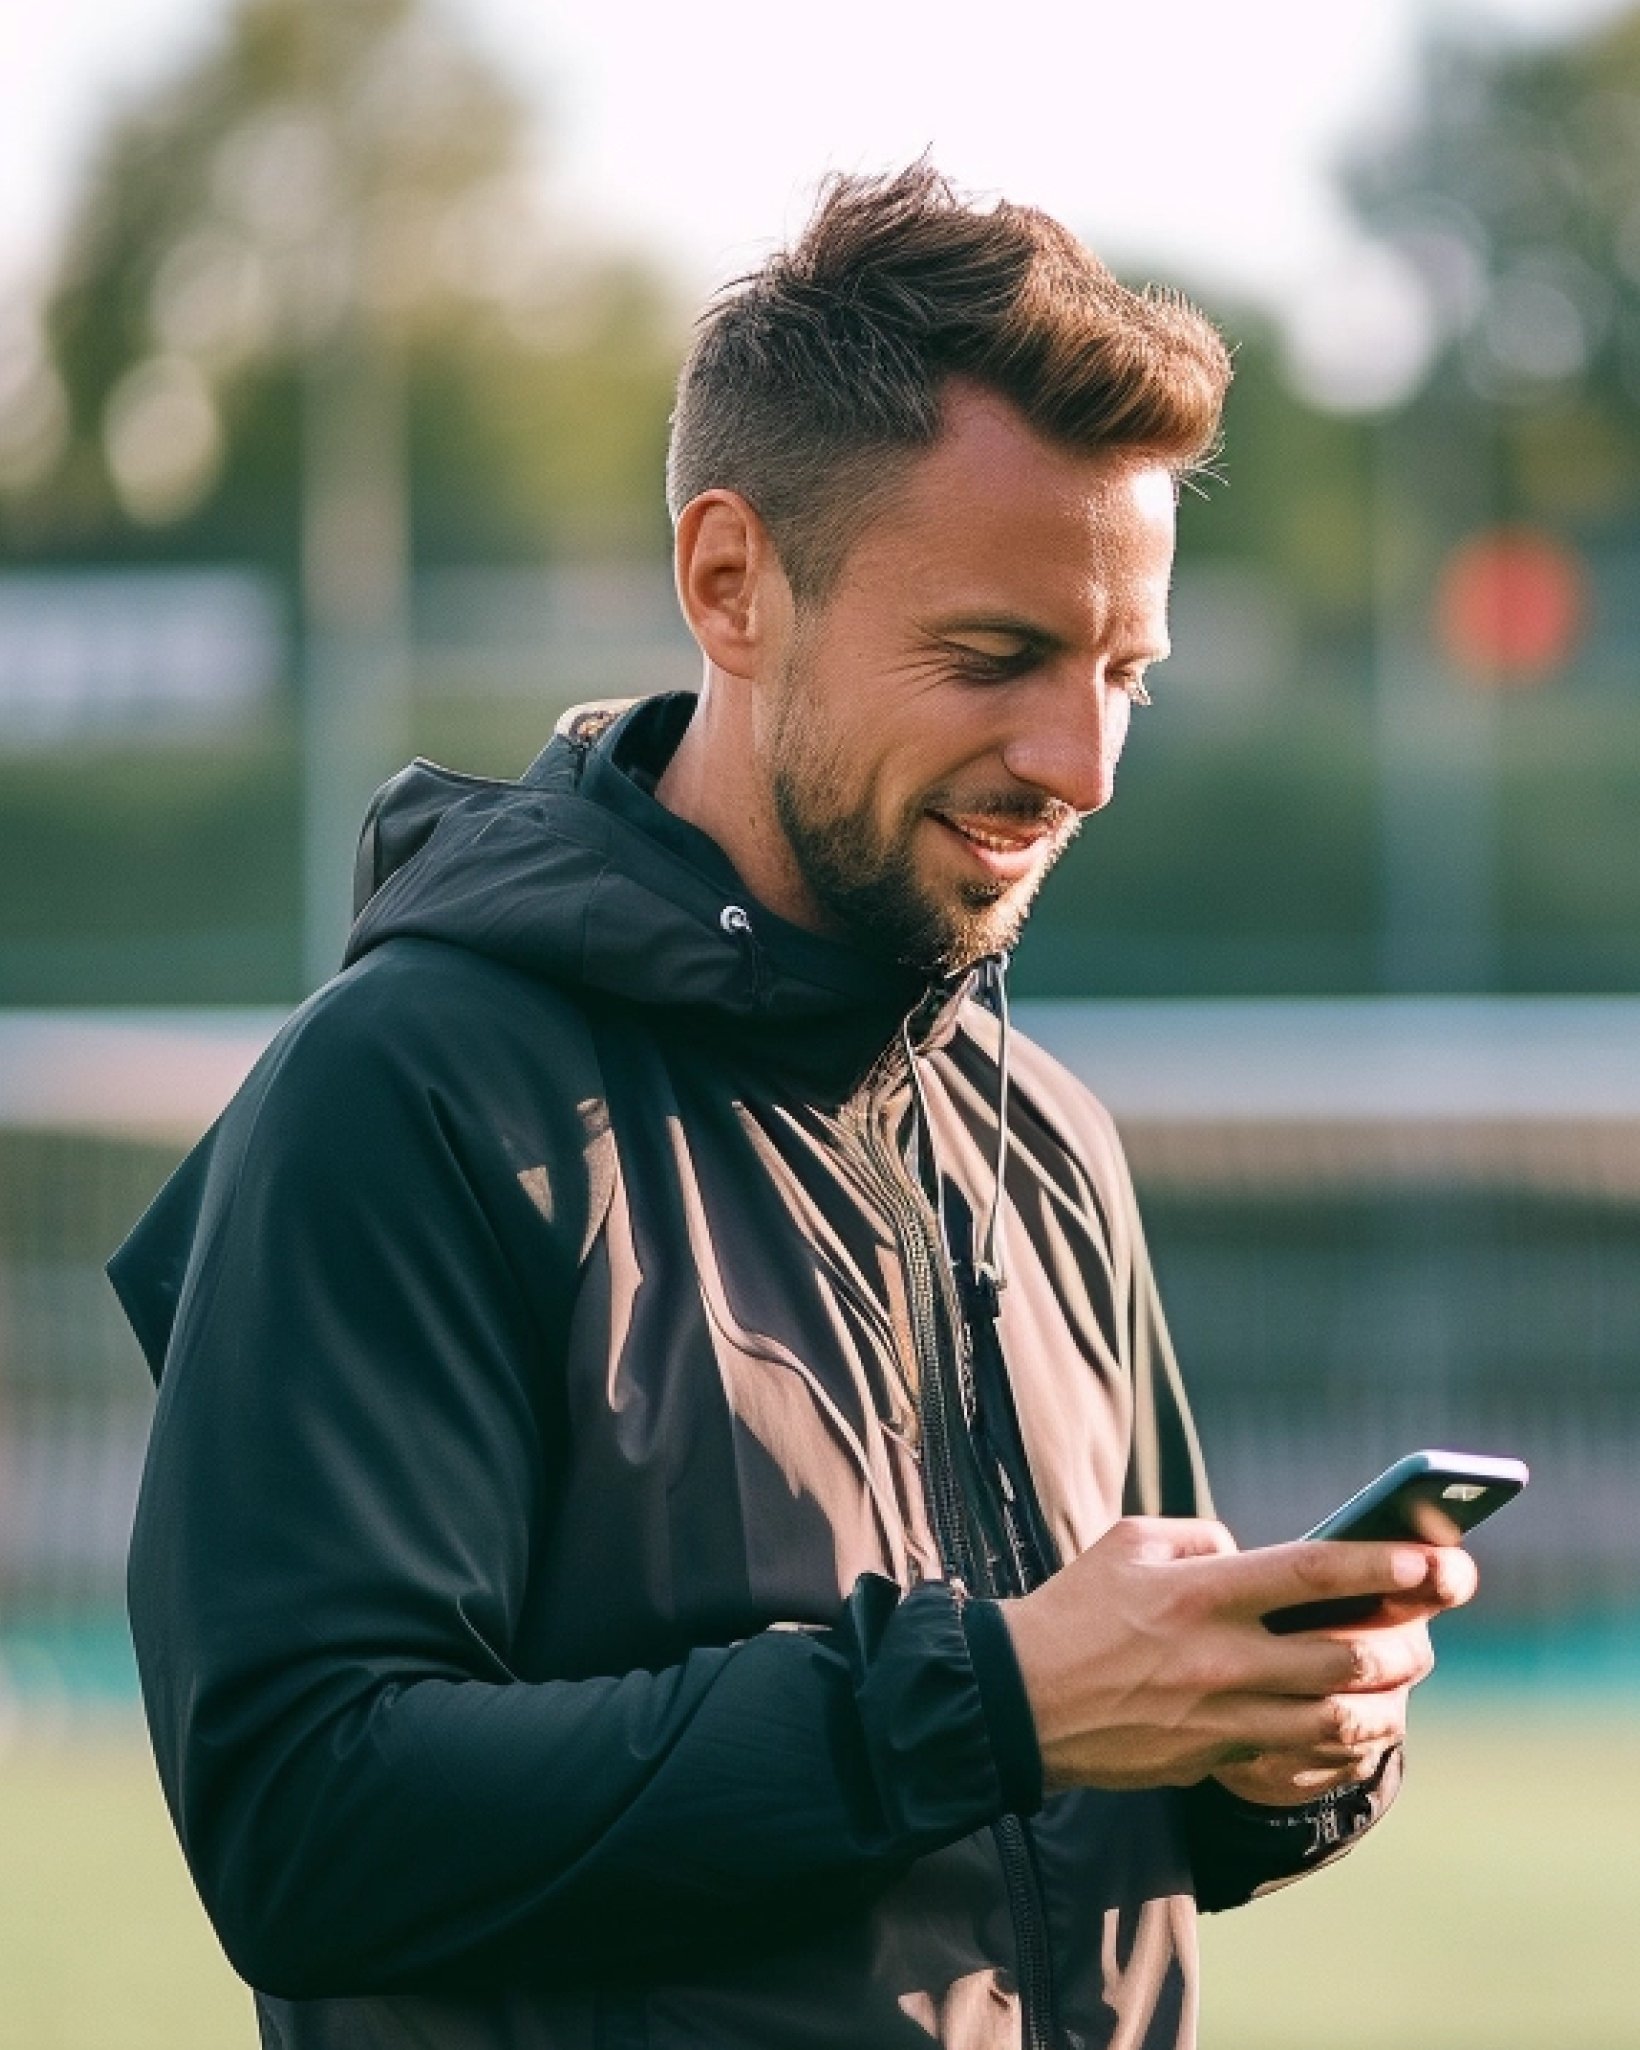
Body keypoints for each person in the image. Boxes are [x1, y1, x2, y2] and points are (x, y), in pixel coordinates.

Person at [112, 164, 1475, 2050]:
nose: (1078, 759)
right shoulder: (404, 1089)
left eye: (1124, 673)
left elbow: (1070, 1780)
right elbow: (304, 1818)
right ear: (732, 584)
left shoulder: (1046, 1135)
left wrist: (1268, 1751)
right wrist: (987, 1697)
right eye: (996, 657)